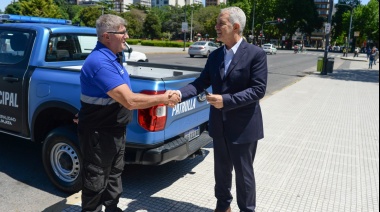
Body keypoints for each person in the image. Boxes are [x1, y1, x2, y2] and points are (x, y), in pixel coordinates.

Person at [76, 14, 180, 212]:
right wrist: (164, 98)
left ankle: (112, 209)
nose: (127, 35)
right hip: (99, 134)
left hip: (114, 130)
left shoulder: (114, 57)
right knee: (96, 180)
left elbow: (101, 95)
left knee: (114, 176)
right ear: (107, 36)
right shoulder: (100, 62)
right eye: (123, 32)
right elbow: (130, 100)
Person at [174, 7, 268, 212]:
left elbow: (258, 90)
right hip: (219, 125)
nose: (216, 27)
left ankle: (247, 209)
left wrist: (226, 100)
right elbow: (201, 82)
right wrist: (179, 95)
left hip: (244, 128)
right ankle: (223, 206)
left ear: (235, 27)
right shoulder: (215, 55)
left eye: (220, 23)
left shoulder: (256, 54)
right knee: (222, 171)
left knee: (244, 175)